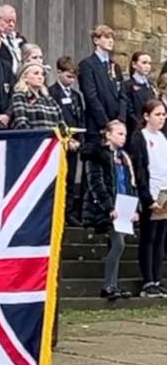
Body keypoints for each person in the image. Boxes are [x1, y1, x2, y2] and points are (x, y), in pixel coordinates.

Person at [82, 120, 138, 300]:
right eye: (119, 134)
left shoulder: (123, 157)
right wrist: (108, 206)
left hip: (123, 205)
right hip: (107, 207)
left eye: (125, 135)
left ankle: (113, 284)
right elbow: (95, 182)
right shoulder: (98, 155)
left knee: (117, 244)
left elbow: (129, 183)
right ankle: (108, 285)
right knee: (118, 243)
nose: (123, 138)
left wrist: (134, 208)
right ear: (108, 134)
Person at [130, 99, 167, 297]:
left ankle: (157, 278)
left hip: (164, 193)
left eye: (163, 115)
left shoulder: (162, 137)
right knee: (149, 238)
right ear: (146, 116)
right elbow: (140, 170)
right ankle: (148, 280)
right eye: (157, 115)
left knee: (160, 239)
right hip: (150, 195)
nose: (162, 118)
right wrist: (146, 198)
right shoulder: (140, 138)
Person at [49, 56, 85, 226]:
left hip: (74, 143)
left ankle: (69, 212)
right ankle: (57, 211)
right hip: (60, 142)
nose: (71, 80)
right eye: (68, 76)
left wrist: (79, 140)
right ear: (59, 74)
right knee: (59, 178)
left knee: (71, 178)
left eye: (73, 77)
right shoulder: (52, 93)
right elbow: (56, 119)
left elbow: (80, 119)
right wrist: (66, 139)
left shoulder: (76, 96)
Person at [78, 24, 127, 144]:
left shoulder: (115, 67)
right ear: (96, 40)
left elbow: (123, 95)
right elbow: (91, 96)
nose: (111, 41)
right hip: (97, 126)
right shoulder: (87, 65)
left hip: (116, 124)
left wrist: (120, 120)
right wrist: (106, 123)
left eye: (112, 38)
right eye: (106, 37)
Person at [9, 62, 63, 131]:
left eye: (42, 74)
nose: (40, 77)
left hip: (52, 140)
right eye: (36, 73)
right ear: (25, 77)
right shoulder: (19, 97)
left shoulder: (50, 100)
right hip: (31, 139)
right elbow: (21, 123)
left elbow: (62, 124)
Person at [125, 52, 156, 142]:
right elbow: (129, 110)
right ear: (134, 64)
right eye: (144, 63)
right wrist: (140, 125)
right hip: (135, 129)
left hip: (151, 128)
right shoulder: (128, 85)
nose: (147, 66)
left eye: (149, 63)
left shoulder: (150, 85)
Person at [0, 4, 26, 93]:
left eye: (13, 21)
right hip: (5, 81)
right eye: (8, 21)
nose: (11, 24)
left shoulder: (20, 39)